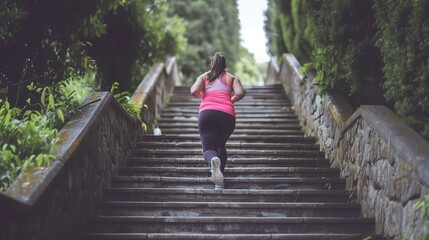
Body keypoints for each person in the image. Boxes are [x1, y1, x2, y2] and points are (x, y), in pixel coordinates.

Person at [190, 52, 246, 189]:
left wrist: (202, 94)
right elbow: (240, 92)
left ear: (211, 64)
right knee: (220, 145)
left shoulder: (205, 77)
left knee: (209, 148)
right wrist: (232, 99)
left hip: (207, 113)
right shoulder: (231, 78)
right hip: (227, 116)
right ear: (225, 65)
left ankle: (213, 162)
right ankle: (220, 181)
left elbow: (194, 91)